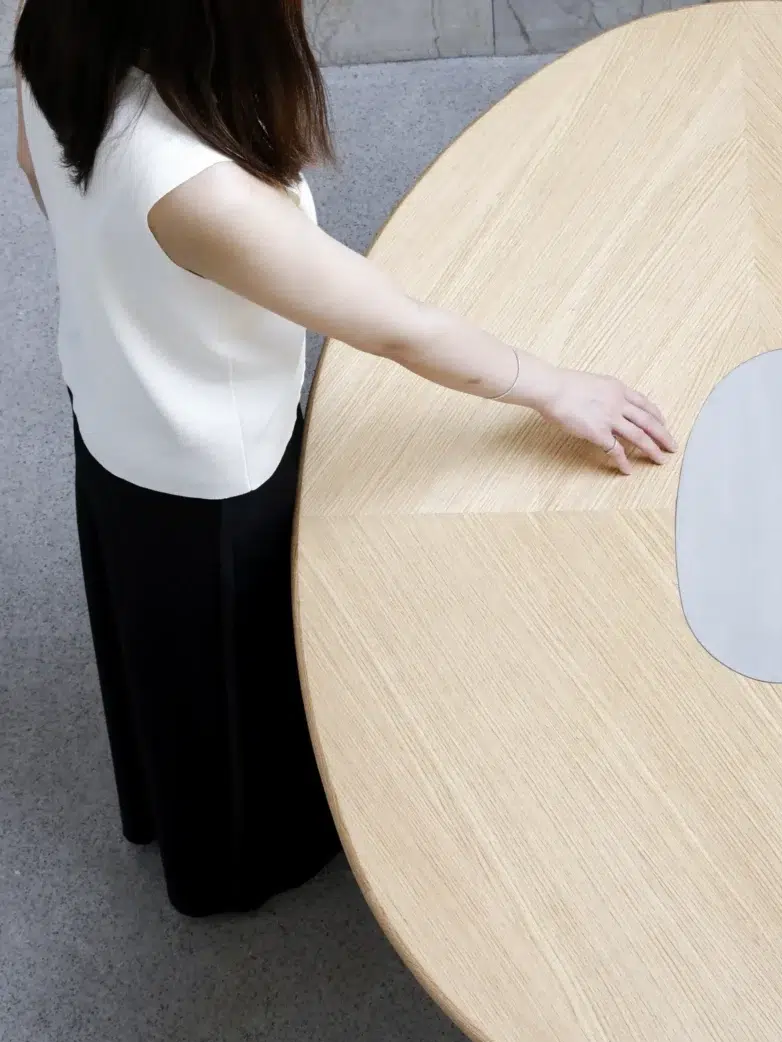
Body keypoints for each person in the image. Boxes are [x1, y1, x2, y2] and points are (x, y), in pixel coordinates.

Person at [10, 0, 677, 919]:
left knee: (164, 658)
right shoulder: (196, 189)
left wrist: (131, 279)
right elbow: (397, 327)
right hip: (211, 464)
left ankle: (179, 818)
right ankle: (244, 863)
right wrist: (554, 385)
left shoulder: (54, 34)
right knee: (239, 674)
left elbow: (33, 170)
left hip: (110, 403)